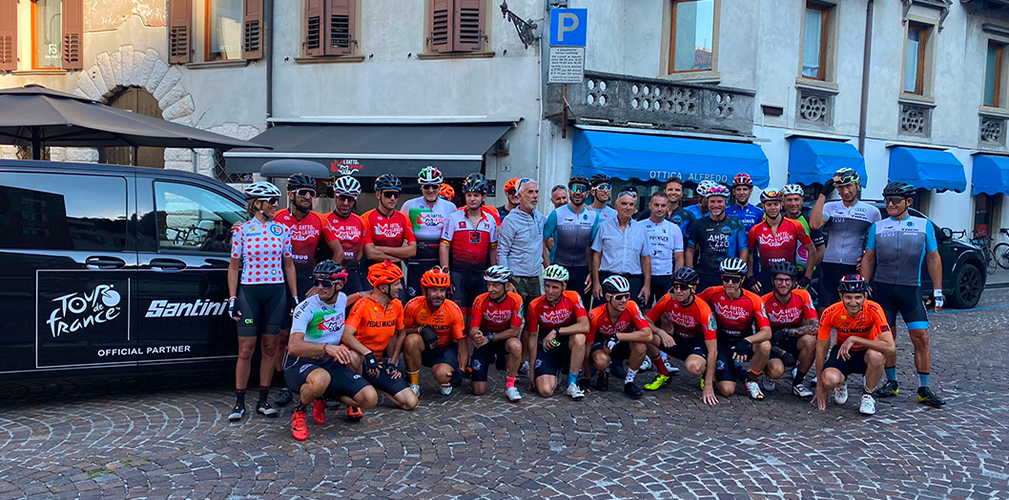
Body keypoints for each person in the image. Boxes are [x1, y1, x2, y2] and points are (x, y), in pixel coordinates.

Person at [860, 182, 946, 407]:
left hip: (910, 290)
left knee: (921, 337)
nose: (889, 204)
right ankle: (892, 382)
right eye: (887, 200)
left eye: (895, 201)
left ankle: (924, 388)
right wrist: (863, 287)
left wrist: (938, 290)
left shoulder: (923, 225)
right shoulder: (878, 227)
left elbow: (933, 257)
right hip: (883, 291)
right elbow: (868, 258)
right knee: (886, 338)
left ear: (909, 202)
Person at [227, 182, 297, 422]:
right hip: (249, 293)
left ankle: (263, 401)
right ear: (257, 204)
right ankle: (239, 403)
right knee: (246, 349)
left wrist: (294, 296)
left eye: (277, 201)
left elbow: (289, 264)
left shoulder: (282, 230)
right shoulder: (242, 230)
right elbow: (233, 267)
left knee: (269, 348)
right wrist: (232, 297)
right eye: (272, 201)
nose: (276, 205)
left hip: (276, 293)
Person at [285, 261, 378, 441]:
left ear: (340, 284)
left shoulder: (341, 297)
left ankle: (323, 397)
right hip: (302, 363)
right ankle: (299, 410)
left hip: (329, 362)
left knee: (370, 398)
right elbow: (294, 347)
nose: (320, 287)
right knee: (321, 379)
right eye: (317, 282)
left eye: (326, 284)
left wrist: (363, 295)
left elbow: (345, 301)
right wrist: (326, 348)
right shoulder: (306, 308)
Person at [273, 173, 345, 407]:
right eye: (302, 192)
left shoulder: (319, 220)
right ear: (290, 194)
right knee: (282, 335)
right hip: (280, 282)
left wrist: (322, 282)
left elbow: (338, 252)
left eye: (311, 193)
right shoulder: (277, 218)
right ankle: (284, 383)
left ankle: (312, 378)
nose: (307, 196)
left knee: (308, 333)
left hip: (308, 282)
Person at [812, 275, 896, 416]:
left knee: (877, 356)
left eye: (858, 297)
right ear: (841, 296)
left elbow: (890, 347)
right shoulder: (830, 312)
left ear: (865, 296)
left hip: (866, 353)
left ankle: (868, 395)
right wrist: (820, 386)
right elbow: (821, 349)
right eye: (848, 297)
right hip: (842, 352)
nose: (853, 302)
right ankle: (841, 382)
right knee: (828, 379)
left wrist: (855, 339)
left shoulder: (874, 309)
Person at [343, 261, 419, 411]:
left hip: (377, 365)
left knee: (410, 402)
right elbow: (346, 335)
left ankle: (372, 385)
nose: (401, 288)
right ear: (383, 288)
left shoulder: (397, 305)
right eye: (396, 284)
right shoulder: (363, 304)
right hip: (359, 361)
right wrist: (367, 354)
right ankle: (352, 400)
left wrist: (393, 362)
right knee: (353, 356)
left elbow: (401, 334)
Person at [641, 267, 720, 406]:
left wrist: (708, 386)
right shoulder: (668, 298)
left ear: (693, 288)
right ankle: (664, 373)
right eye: (675, 286)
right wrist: (661, 332)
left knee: (693, 367)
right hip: (677, 340)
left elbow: (713, 350)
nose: (678, 291)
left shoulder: (703, 309)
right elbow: (645, 321)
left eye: (683, 287)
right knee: (644, 336)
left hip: (697, 345)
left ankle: (705, 373)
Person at [696, 258, 773, 400]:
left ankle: (751, 380)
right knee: (727, 390)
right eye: (726, 278)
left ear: (742, 279)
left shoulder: (754, 299)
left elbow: (767, 332)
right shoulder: (712, 292)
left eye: (735, 279)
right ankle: (713, 371)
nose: (730, 283)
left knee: (765, 346)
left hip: (743, 341)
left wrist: (746, 341)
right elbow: (693, 302)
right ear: (722, 277)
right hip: (722, 343)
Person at [809, 168, 881, 310]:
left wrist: (867, 257)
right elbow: (814, 225)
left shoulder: (872, 211)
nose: (846, 191)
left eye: (849, 186)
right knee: (825, 309)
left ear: (858, 185)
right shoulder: (830, 207)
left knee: (853, 309)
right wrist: (823, 194)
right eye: (841, 188)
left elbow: (878, 241)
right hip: (829, 265)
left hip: (853, 266)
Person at [527, 265, 590, 399]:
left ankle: (572, 382)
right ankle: (556, 370)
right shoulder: (535, 305)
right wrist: (532, 371)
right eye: (547, 286)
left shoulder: (573, 297)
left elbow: (585, 326)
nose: (550, 291)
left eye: (555, 287)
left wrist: (557, 331)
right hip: (548, 348)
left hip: (566, 344)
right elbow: (532, 337)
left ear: (564, 286)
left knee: (580, 337)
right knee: (545, 391)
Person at [402, 267, 467, 397]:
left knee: (442, 375)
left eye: (442, 290)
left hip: (445, 349)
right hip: (424, 348)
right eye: (434, 290)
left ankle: (445, 373)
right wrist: (420, 329)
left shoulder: (453, 309)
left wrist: (461, 370)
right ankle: (414, 384)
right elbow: (402, 332)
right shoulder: (412, 305)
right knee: (411, 340)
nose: (439, 295)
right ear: (424, 291)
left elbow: (462, 342)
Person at [441, 173, 498, 319]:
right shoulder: (454, 218)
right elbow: (444, 245)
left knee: (476, 318)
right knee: (458, 317)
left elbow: (493, 249)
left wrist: (494, 275)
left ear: (484, 197)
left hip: (480, 275)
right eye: (469, 195)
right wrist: (445, 272)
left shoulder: (490, 220)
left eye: (476, 195)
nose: (472, 199)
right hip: (458, 275)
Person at [585, 276, 652, 399]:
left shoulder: (631, 306)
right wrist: (587, 376)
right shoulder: (595, 314)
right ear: (608, 297)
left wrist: (618, 336)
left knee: (641, 346)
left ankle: (629, 382)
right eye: (619, 297)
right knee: (601, 361)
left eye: (626, 296)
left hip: (622, 342)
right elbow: (587, 347)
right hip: (602, 345)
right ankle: (603, 373)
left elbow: (648, 334)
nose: (624, 300)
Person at [760, 262, 819, 398]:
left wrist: (787, 332)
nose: (783, 284)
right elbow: (761, 337)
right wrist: (782, 353)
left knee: (811, 341)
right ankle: (767, 372)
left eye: (787, 280)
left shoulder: (803, 295)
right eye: (779, 280)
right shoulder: (763, 301)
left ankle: (798, 383)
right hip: (773, 344)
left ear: (793, 282)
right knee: (776, 371)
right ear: (772, 281)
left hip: (794, 339)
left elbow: (815, 327)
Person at [469, 266, 524, 401]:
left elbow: (515, 331)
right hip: (484, 341)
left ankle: (510, 385)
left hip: (503, 339)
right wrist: (477, 336)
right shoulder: (480, 300)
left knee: (516, 345)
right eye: (488, 284)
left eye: (496, 285)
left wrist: (490, 338)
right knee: (478, 390)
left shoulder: (516, 300)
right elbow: (473, 329)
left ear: (507, 286)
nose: (491, 289)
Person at [744, 188, 815, 294]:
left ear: (781, 205)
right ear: (763, 206)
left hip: (789, 275)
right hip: (766, 276)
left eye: (776, 204)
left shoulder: (795, 225)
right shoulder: (755, 229)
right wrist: (750, 276)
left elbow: (811, 250)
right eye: (769, 204)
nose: (773, 208)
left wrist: (807, 277)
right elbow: (749, 252)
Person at [401, 166, 456, 299]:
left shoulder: (450, 207)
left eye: (434, 186)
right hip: (416, 262)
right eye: (426, 187)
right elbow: (403, 237)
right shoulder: (410, 205)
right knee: (415, 300)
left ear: (440, 187)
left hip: (439, 261)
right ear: (421, 187)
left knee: (438, 300)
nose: (430, 190)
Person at [544, 174, 600, 306]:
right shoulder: (557, 214)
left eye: (582, 189)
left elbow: (591, 247)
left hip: (582, 270)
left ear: (587, 193)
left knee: (580, 308)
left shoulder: (593, 216)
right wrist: (548, 268)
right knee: (557, 309)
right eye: (575, 188)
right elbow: (542, 241)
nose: (578, 192)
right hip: (559, 266)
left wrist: (591, 272)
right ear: (570, 191)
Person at [590, 190, 652, 305]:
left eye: (631, 204)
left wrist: (647, 286)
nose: (628, 207)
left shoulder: (641, 229)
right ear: (616, 206)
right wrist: (596, 283)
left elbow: (646, 258)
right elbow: (596, 255)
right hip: (607, 279)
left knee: (630, 313)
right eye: (624, 204)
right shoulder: (604, 227)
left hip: (632, 281)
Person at [685, 184, 748, 292]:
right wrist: (690, 274)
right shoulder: (698, 224)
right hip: (704, 274)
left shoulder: (736, 223)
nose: (716, 205)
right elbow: (690, 251)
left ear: (726, 203)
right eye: (712, 202)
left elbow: (743, 249)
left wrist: (740, 272)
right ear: (707, 203)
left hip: (728, 275)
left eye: (719, 201)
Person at [498, 179, 548, 312]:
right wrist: (506, 281)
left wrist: (583, 208)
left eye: (536, 192)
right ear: (519, 196)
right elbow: (502, 251)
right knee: (516, 319)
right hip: (516, 278)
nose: (535, 196)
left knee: (534, 318)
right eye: (530, 192)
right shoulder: (510, 220)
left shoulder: (540, 217)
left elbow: (557, 221)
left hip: (535, 278)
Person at [361, 174, 417, 291]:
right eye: (388, 194)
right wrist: (399, 256)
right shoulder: (366, 218)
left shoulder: (403, 218)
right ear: (378, 194)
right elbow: (370, 253)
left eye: (396, 195)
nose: (392, 198)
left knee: (399, 302)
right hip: (373, 271)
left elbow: (412, 250)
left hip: (395, 271)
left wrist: (380, 249)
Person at [641, 192, 685, 306]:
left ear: (667, 207)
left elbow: (679, 258)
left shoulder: (674, 228)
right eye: (656, 205)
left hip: (666, 276)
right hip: (644, 275)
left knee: (666, 310)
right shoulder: (639, 226)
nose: (660, 209)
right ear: (650, 205)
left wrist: (676, 281)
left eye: (663, 206)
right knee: (645, 309)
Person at [326, 176, 367, 295]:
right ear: (335, 196)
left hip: (351, 275)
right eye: (342, 198)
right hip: (330, 275)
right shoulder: (325, 220)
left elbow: (360, 252)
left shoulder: (361, 222)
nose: (345, 203)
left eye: (350, 199)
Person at [780, 183, 824, 277]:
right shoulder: (779, 222)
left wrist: (806, 269)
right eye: (789, 200)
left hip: (804, 272)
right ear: (783, 202)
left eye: (796, 199)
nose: (793, 203)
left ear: (802, 201)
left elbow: (820, 250)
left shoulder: (809, 222)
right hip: (783, 271)